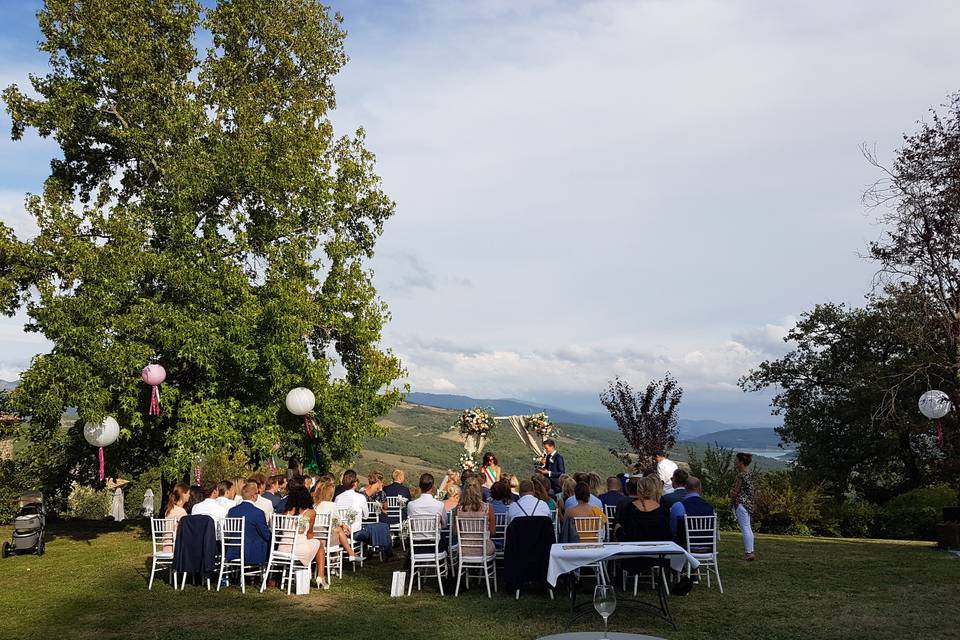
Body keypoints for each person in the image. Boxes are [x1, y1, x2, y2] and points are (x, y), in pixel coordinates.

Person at [614, 476, 672, 574]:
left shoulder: (630, 508)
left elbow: (625, 528)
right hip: (657, 553)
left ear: (639, 489)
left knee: (617, 528)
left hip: (635, 554)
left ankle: (616, 570)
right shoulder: (662, 508)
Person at [334, 469, 394, 560]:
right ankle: (388, 554)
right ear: (355, 483)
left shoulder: (338, 498)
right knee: (383, 527)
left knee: (375, 529)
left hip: (342, 532)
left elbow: (336, 516)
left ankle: (371, 552)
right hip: (357, 532)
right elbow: (366, 516)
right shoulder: (360, 497)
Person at [281, 484, 328, 589]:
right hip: (298, 548)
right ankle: (321, 576)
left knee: (314, 544)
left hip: (282, 548)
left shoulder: (286, 512)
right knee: (319, 544)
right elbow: (310, 534)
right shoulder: (310, 513)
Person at [312, 478, 360, 562]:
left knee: (337, 530)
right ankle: (350, 554)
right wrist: (344, 526)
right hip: (325, 539)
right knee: (339, 530)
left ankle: (348, 555)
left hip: (314, 537)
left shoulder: (314, 506)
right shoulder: (331, 505)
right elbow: (336, 521)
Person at [226, 481, 272, 567]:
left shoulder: (232, 511)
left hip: (233, 550)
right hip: (251, 552)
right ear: (254, 496)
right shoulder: (258, 512)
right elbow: (265, 534)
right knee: (269, 540)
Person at [455, 483, 496, 558]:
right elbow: (493, 532)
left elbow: (455, 531)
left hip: (464, 549)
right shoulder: (487, 507)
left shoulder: (459, 508)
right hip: (484, 549)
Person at [730, 452, 756, 561]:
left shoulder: (741, 475)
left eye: (736, 460)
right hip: (748, 503)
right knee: (748, 527)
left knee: (745, 528)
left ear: (741, 462)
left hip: (741, 503)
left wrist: (731, 494)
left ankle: (748, 552)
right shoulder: (749, 473)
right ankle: (750, 550)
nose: (735, 462)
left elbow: (735, 491)